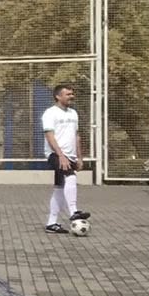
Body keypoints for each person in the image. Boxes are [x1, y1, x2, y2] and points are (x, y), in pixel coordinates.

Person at [42, 82, 87, 233]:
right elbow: (49, 136)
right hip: (55, 154)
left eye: (72, 94)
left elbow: (76, 136)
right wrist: (60, 155)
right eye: (68, 94)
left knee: (60, 189)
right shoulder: (50, 113)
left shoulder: (73, 113)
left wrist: (79, 158)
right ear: (58, 96)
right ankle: (74, 211)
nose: (71, 96)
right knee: (71, 177)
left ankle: (51, 223)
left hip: (70, 156)